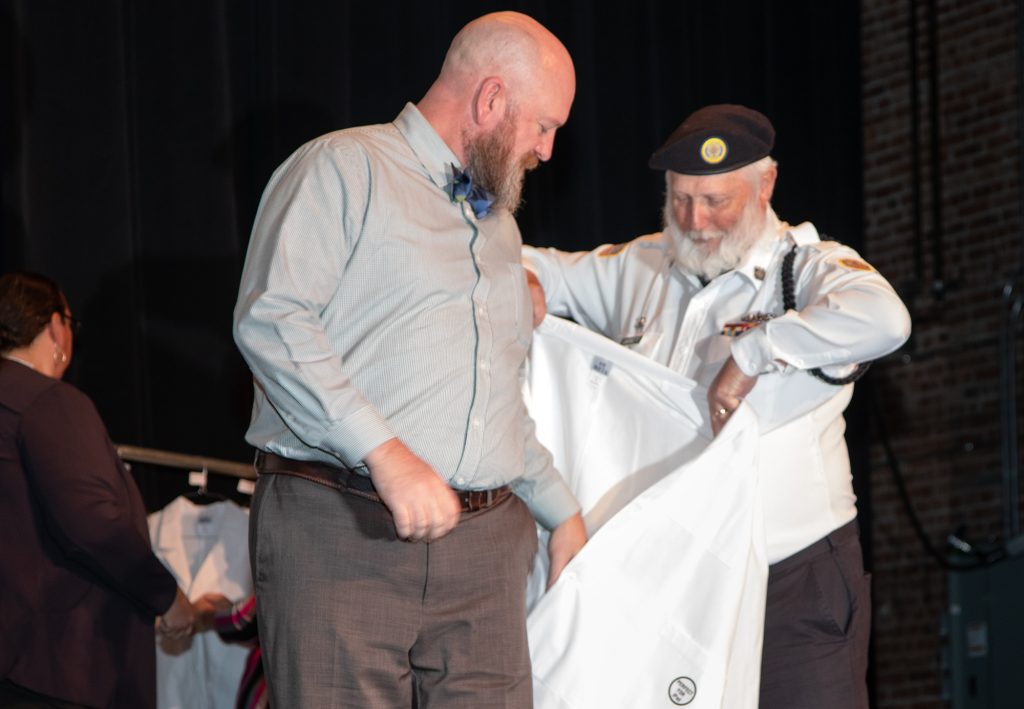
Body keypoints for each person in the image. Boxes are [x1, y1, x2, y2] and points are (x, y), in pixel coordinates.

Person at [232, 11, 586, 708]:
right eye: (543, 125)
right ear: (490, 101)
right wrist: (386, 453)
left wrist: (560, 509)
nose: (546, 150)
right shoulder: (341, 168)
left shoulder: (501, 225)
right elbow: (274, 321)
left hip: (485, 553)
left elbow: (494, 396)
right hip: (342, 528)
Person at [522, 104, 912, 709]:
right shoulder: (644, 264)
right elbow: (536, 264)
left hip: (791, 576)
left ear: (766, 186)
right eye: (680, 199)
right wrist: (510, 275)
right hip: (677, 577)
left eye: (715, 201)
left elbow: (886, 319)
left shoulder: (805, 270)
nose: (696, 221)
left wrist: (756, 351)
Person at [0, 271, 195, 709]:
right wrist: (166, 596)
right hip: (62, 663)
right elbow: (92, 522)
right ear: (54, 326)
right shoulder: (49, 401)